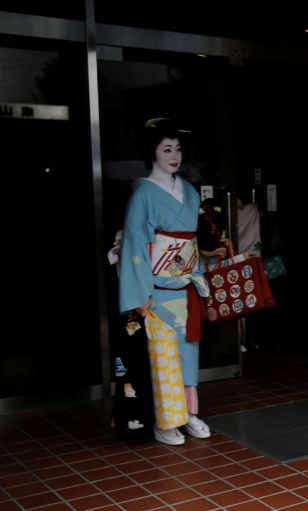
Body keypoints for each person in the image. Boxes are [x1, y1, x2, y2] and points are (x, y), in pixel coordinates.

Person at [119, 118, 213, 446]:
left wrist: (208, 257)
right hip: (157, 290)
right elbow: (134, 246)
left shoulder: (188, 191)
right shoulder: (143, 195)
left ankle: (189, 413)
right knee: (163, 357)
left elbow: (192, 241)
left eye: (178, 149)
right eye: (166, 149)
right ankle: (164, 420)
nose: (174, 156)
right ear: (152, 153)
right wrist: (140, 293)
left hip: (186, 286)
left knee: (188, 354)